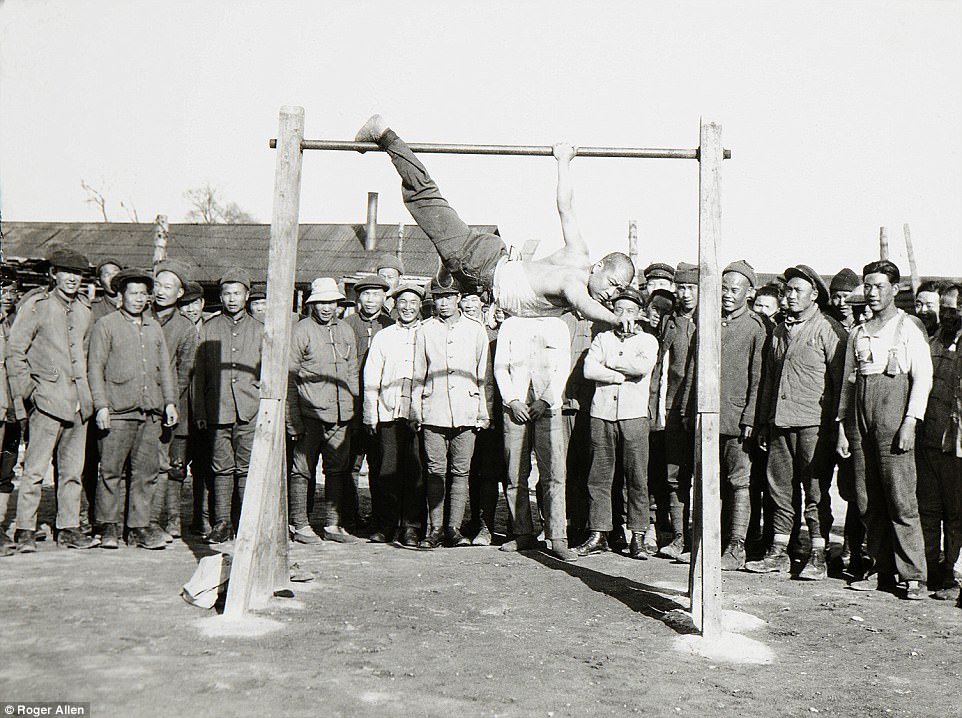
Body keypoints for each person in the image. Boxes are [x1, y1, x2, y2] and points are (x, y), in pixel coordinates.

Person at [355, 115, 635, 328]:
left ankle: (446, 272)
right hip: (478, 264)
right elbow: (585, 306)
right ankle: (384, 133)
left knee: (445, 295)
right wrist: (616, 319)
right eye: (613, 284)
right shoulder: (574, 282)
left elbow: (566, 207)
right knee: (425, 198)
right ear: (599, 266)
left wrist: (564, 161)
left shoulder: (578, 254)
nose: (612, 294)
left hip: (486, 268)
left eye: (619, 292)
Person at [837, 261, 932, 600]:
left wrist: (910, 421)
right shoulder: (858, 333)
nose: (873, 292)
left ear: (895, 288)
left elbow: (923, 378)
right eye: (869, 286)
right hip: (861, 417)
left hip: (894, 416)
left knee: (900, 497)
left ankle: (914, 575)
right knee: (866, 497)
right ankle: (880, 569)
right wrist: (843, 429)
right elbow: (849, 385)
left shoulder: (908, 327)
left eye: (879, 286)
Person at [748, 265, 845, 580]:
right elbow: (768, 381)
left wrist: (836, 426)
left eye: (796, 291)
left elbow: (842, 382)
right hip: (779, 424)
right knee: (779, 489)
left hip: (814, 426)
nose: (789, 296)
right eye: (786, 290)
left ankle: (818, 553)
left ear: (814, 295)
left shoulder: (829, 330)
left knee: (815, 490)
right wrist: (764, 422)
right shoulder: (778, 331)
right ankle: (778, 553)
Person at [5, 249, 95, 553]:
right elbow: (15, 353)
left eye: (77, 273)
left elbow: (84, 356)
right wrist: (30, 392)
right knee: (34, 470)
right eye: (65, 272)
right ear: (53, 274)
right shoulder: (37, 306)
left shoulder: (84, 310)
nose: (72, 278)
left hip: (78, 404)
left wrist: (87, 397)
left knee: (72, 471)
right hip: (46, 401)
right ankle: (25, 530)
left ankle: (68, 528)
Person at [88, 268, 178, 550]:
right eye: (133, 293)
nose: (139, 299)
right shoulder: (106, 325)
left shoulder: (154, 327)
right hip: (117, 411)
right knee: (111, 472)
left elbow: (165, 369)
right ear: (121, 295)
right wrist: (101, 406)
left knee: (145, 472)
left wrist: (169, 402)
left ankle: (138, 528)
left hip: (149, 413)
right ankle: (109, 527)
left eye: (143, 294)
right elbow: (95, 368)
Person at [575, 287, 658, 560]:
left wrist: (608, 365)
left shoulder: (648, 341)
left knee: (636, 477)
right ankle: (599, 533)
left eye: (631, 311)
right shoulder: (601, 338)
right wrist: (619, 375)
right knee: (598, 477)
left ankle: (638, 536)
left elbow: (641, 368)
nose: (624, 316)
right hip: (602, 414)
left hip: (633, 416)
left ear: (640, 314)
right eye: (619, 310)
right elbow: (589, 370)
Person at [411, 278, 490, 549]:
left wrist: (483, 410)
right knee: (435, 469)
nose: (443, 302)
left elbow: (482, 375)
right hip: (434, 409)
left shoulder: (476, 330)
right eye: (438, 297)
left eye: (448, 297)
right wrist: (416, 407)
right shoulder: (425, 330)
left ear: (458, 297)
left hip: (466, 409)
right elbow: (418, 372)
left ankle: (454, 528)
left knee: (461, 471)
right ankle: (434, 529)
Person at [494, 314, 575, 560]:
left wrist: (546, 400)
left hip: (547, 407)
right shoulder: (510, 325)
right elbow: (500, 367)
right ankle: (522, 534)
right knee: (515, 473)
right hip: (515, 407)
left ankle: (557, 537)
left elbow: (563, 367)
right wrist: (512, 400)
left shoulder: (557, 325)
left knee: (554, 473)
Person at [193, 267, 264, 544]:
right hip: (217, 408)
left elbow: (268, 372)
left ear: (247, 296)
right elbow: (199, 374)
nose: (232, 299)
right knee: (221, 467)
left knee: (246, 467)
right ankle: (222, 522)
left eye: (237, 293)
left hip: (249, 409)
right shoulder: (209, 328)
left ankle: (246, 522)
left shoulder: (259, 330)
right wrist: (200, 411)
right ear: (220, 297)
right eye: (227, 294)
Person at [287, 278, 359, 544]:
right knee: (302, 469)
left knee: (337, 469)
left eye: (332, 302)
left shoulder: (345, 331)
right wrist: (292, 419)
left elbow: (351, 373)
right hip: (310, 413)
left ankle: (332, 524)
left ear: (339, 304)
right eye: (321, 303)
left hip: (341, 415)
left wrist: (352, 408)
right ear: (312, 304)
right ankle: (301, 524)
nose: (327, 308)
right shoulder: (302, 331)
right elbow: (290, 376)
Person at [710, 261, 768, 570]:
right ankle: (712, 540)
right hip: (709, 418)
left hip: (736, 420)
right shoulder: (710, 322)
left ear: (749, 293)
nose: (727, 295)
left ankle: (736, 546)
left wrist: (749, 419)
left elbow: (758, 378)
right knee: (712, 481)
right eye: (723, 288)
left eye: (735, 290)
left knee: (739, 483)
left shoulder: (755, 328)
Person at [363, 282, 426, 546]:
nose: (408, 308)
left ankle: (411, 527)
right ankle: (387, 524)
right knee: (387, 470)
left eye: (413, 303)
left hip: (419, 414)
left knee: (416, 469)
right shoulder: (384, 336)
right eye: (403, 303)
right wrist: (371, 413)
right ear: (395, 306)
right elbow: (371, 377)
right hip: (389, 412)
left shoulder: (427, 333)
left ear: (420, 306)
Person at [915, 282, 961, 593]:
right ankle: (928, 570)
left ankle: (952, 574)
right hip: (928, 442)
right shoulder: (929, 343)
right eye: (943, 308)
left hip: (957, 447)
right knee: (928, 511)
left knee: (956, 514)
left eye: (954, 309)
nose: (947, 315)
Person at [148, 259, 198, 541]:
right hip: (141, 405)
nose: (161, 291)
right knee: (147, 466)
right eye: (157, 285)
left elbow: (184, 371)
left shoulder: (185, 328)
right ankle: (147, 520)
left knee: (173, 466)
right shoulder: (141, 318)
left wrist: (167, 401)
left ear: (180, 293)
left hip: (172, 407)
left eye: (169, 287)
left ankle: (173, 519)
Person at [344, 274, 395, 532]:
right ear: (358, 298)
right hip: (353, 402)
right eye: (366, 294)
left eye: (376, 294)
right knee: (351, 464)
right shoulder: (348, 325)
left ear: (385, 297)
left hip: (381, 405)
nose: (371, 300)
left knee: (379, 464)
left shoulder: (392, 325)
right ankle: (350, 516)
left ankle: (379, 517)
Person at [656, 262, 699, 560]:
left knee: (705, 476)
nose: (684, 294)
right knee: (674, 476)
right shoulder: (669, 322)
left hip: (700, 408)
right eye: (681, 287)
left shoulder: (709, 322)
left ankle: (703, 539)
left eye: (691, 288)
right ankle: (679, 536)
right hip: (672, 406)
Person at [90, 258, 123, 323]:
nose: (113, 278)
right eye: (107, 275)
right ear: (99, 282)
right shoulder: (94, 308)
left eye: (115, 273)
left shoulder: (136, 304)